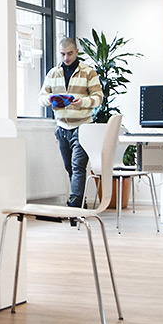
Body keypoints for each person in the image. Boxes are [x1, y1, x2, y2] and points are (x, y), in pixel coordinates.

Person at [40, 37, 104, 207]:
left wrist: (82, 102)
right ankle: (80, 202)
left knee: (78, 166)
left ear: (76, 52)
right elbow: (41, 98)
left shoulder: (88, 72)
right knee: (69, 167)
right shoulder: (53, 73)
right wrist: (50, 99)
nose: (66, 58)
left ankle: (75, 205)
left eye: (69, 53)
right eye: (62, 54)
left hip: (82, 126)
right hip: (62, 127)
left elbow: (99, 98)